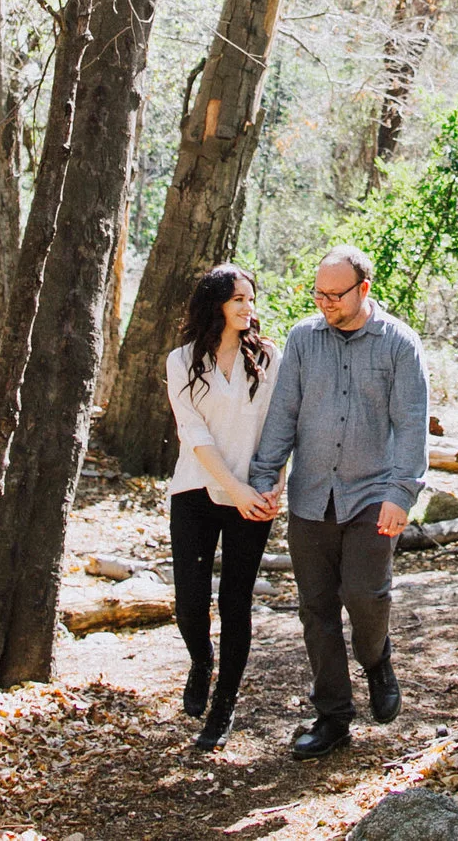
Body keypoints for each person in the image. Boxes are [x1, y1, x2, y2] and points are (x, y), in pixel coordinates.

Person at [247, 244, 428, 760]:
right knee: (316, 608)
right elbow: (284, 412)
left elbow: (411, 423)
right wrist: (267, 477)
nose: (325, 302)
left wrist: (402, 493)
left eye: (336, 294)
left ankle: (377, 660)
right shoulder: (304, 339)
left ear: (363, 289)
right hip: (311, 496)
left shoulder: (399, 344)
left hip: (373, 495)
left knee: (366, 597)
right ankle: (332, 716)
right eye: (319, 293)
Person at [164, 263, 282, 751]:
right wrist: (229, 487)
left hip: (252, 497)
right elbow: (193, 433)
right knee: (191, 603)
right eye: (238, 300)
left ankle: (224, 705)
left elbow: (279, 428)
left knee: (236, 603)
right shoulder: (182, 360)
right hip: (196, 490)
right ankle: (200, 660)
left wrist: (271, 485)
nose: (247, 308)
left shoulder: (269, 358)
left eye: (251, 299)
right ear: (215, 304)